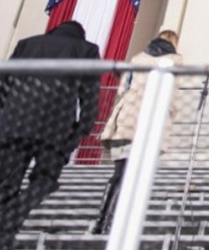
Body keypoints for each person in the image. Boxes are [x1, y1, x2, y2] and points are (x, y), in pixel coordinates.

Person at [0, 21, 101, 249]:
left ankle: (5, 229)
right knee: (45, 180)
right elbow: (90, 97)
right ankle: (10, 222)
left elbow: (4, 84)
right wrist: (80, 132)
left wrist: (5, 117)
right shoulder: (87, 50)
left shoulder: (26, 44)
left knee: (6, 184)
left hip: (15, 123)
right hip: (56, 128)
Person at [92, 30, 182, 235]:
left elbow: (122, 89)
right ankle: (117, 223)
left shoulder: (137, 59)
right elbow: (172, 97)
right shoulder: (174, 62)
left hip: (127, 119)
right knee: (137, 176)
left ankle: (102, 221)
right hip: (150, 123)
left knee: (119, 174)